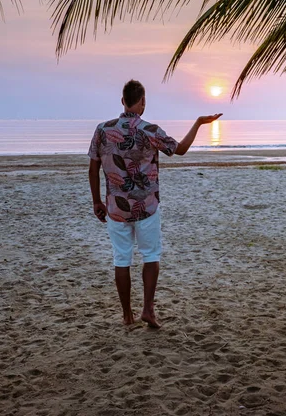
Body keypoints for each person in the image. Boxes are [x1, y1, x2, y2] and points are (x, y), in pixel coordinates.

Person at [88, 79, 222, 328]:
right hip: (146, 206)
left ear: (122, 101)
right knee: (150, 256)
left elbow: (93, 167)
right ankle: (148, 310)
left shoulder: (103, 130)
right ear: (142, 102)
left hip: (116, 207)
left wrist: (97, 201)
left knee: (121, 259)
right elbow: (180, 149)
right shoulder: (150, 130)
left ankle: (127, 316)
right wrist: (198, 123)